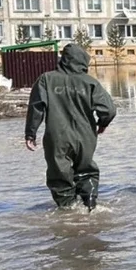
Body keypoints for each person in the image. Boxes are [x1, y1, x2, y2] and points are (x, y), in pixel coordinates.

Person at [24, 43, 116, 210]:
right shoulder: (90, 82)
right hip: (86, 136)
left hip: (57, 137)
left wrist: (30, 134)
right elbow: (109, 109)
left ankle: (69, 212)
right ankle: (90, 207)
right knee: (86, 171)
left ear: (64, 59)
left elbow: (36, 107)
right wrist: (102, 124)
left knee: (59, 175)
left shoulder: (46, 79)